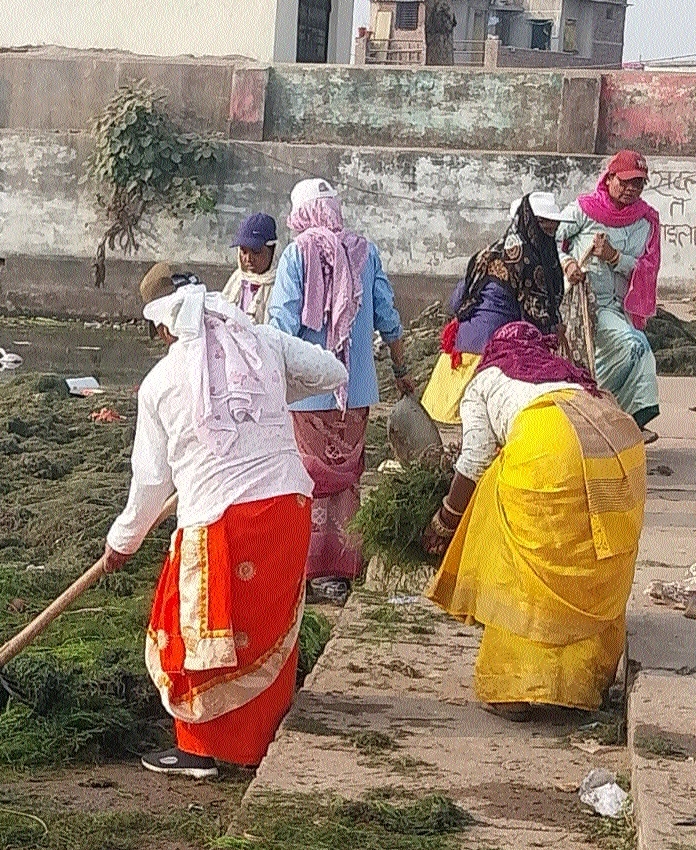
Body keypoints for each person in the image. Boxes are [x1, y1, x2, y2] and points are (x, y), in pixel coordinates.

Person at [104, 267, 348, 779]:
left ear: (162, 327)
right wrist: (264, 400)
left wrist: (120, 543)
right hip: (287, 510)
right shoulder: (262, 342)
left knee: (191, 632)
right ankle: (257, 744)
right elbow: (331, 373)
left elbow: (150, 485)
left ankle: (199, 751)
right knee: (262, 631)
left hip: (220, 521)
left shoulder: (160, 382)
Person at [421, 322, 646, 722]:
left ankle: (514, 688)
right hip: (617, 449)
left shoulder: (485, 381)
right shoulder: (567, 375)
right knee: (586, 557)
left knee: (520, 560)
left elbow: (473, 461)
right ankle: (578, 684)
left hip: (549, 448)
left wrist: (444, 521)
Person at [268, 178, 410, 603]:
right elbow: (389, 318)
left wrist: (263, 374)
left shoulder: (298, 255)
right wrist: (402, 370)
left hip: (309, 392)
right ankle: (341, 570)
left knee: (308, 476)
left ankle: (307, 571)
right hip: (357, 390)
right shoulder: (365, 253)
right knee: (345, 479)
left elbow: (281, 324)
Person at [422, 191, 575, 426]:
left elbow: (457, 301)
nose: (551, 230)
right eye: (546, 225)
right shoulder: (529, 261)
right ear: (530, 222)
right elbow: (536, 316)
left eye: (554, 226)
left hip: (461, 349)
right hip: (496, 355)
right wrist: (554, 328)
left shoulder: (489, 252)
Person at [558, 149, 663, 440]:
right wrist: (566, 263)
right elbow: (551, 241)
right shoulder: (582, 210)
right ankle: (604, 414)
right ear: (610, 178)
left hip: (615, 307)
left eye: (639, 184)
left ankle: (622, 418)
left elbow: (647, 267)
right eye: (626, 181)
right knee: (632, 347)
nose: (632, 189)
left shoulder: (646, 221)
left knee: (635, 348)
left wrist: (616, 257)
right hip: (579, 303)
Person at [221, 213, 279, 324]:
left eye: (256, 251)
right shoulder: (238, 278)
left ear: (272, 251)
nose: (248, 258)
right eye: (243, 251)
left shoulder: (279, 285)